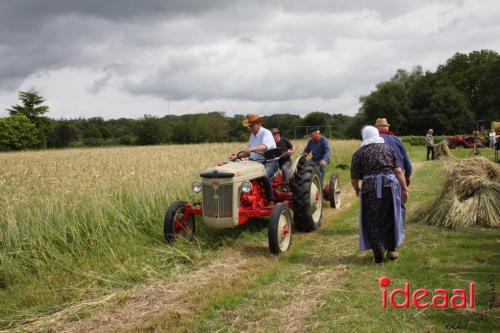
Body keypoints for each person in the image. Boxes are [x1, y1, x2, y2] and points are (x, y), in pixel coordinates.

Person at [351, 126, 408, 264]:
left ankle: (378, 256)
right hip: (390, 186)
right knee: (390, 216)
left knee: (373, 220)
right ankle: (392, 250)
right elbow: (398, 171)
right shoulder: (388, 149)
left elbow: (354, 177)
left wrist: (357, 189)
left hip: (370, 188)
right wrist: (404, 188)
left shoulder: (359, 153)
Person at [230, 114, 277, 204]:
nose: (249, 128)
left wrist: (252, 148)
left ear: (258, 124)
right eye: (249, 126)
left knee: (264, 175)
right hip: (255, 163)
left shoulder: (266, 133)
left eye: (251, 126)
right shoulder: (252, 135)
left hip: (270, 162)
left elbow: (265, 146)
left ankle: (270, 200)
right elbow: (248, 152)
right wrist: (236, 156)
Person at [374, 118, 412, 186]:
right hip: (398, 176)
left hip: (379, 179)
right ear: (387, 128)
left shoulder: (372, 141)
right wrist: (407, 176)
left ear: (376, 129)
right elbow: (407, 161)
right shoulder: (397, 140)